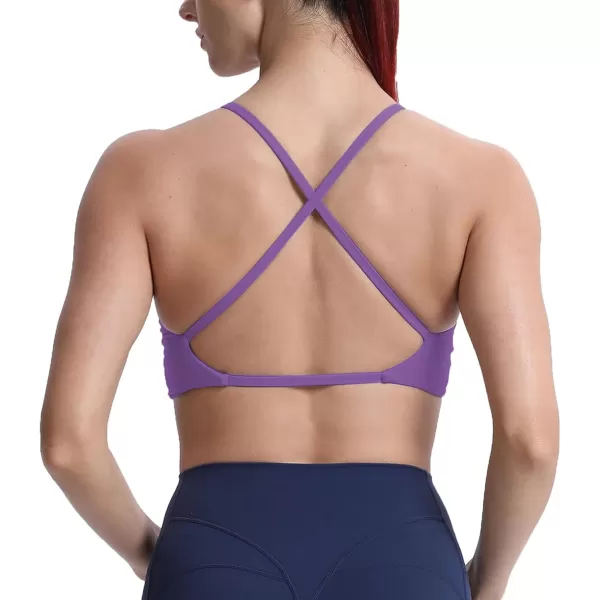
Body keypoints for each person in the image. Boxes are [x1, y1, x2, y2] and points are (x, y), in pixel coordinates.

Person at [40, 1, 560, 599]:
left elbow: (69, 442)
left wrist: (163, 556)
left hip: (211, 555)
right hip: (406, 560)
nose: (185, 7)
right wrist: (484, 584)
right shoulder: (483, 178)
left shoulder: (140, 172)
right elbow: (531, 442)